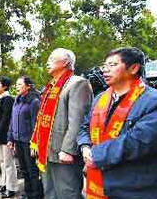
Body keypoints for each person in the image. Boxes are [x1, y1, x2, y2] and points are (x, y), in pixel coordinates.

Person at [77, 47, 157, 199]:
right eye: (104, 66)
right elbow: (85, 127)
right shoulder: (100, 99)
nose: (105, 70)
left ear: (133, 68)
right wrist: (85, 146)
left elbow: (138, 141)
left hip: (134, 187)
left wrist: (96, 154)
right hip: (97, 182)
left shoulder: (151, 101)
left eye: (112, 65)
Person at [30, 48, 93, 199]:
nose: (47, 62)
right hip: (47, 151)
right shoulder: (51, 86)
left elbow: (77, 121)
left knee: (67, 193)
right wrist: (36, 143)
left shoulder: (77, 83)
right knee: (50, 192)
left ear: (65, 62)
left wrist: (68, 150)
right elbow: (41, 117)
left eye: (51, 59)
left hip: (63, 152)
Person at [8, 76, 43, 199]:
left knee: (32, 170)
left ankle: (36, 194)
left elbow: (36, 124)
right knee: (23, 169)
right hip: (18, 140)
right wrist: (10, 138)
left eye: (19, 84)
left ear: (28, 86)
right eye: (16, 85)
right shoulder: (17, 100)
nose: (17, 87)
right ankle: (27, 193)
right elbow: (12, 120)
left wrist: (35, 143)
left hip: (28, 142)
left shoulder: (34, 102)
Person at [0, 76, 17, 198]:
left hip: (5, 135)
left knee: (8, 163)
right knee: (0, 161)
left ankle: (11, 187)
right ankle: (2, 183)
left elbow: (6, 118)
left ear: (5, 86)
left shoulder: (8, 99)